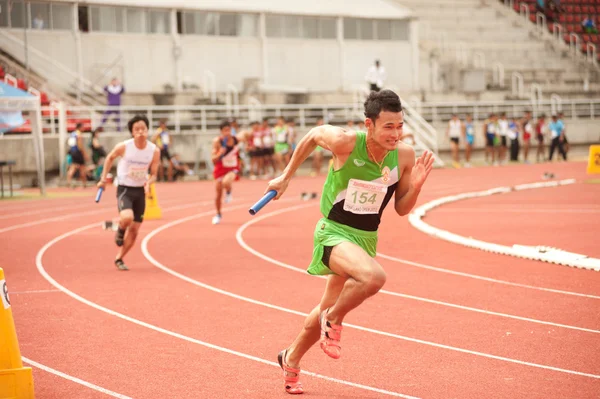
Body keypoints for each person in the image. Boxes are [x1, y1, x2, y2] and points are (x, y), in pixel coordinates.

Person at [264, 90, 434, 395]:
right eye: (388, 127)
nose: (396, 134)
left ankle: (290, 358)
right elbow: (315, 134)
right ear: (368, 124)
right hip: (333, 233)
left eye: (400, 126)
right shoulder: (346, 142)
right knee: (373, 277)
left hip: (365, 240)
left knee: (325, 307)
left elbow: (401, 208)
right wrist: (286, 177)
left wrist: (417, 187)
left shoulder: (404, 156)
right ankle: (335, 318)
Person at [97, 115, 160, 271]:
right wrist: (103, 179)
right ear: (132, 132)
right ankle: (120, 230)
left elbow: (154, 174)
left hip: (140, 191)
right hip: (125, 188)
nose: (140, 132)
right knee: (127, 217)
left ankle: (119, 258)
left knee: (135, 230)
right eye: (136, 129)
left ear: (147, 130)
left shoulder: (153, 150)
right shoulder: (124, 146)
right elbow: (109, 158)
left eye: (143, 129)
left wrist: (148, 182)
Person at [211, 120, 241, 225]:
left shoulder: (236, 139)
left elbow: (247, 134)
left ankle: (228, 191)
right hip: (220, 169)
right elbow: (213, 159)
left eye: (229, 130)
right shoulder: (217, 142)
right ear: (221, 132)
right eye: (225, 131)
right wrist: (220, 153)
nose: (227, 133)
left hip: (233, 168)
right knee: (218, 195)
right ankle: (218, 214)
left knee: (226, 182)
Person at [66, 123, 89, 188]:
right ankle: (84, 184)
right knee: (82, 168)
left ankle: (68, 182)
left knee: (73, 167)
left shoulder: (72, 134)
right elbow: (80, 145)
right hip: (78, 152)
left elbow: (70, 144)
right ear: (80, 127)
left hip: (72, 152)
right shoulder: (79, 135)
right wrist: (84, 154)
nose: (84, 129)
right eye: (83, 127)